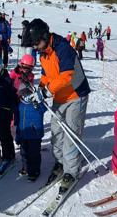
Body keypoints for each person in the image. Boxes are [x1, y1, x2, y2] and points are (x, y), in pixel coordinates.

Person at [28, 18, 90, 192]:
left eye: (36, 43)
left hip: (76, 95)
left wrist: (47, 91)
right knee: (56, 132)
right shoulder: (43, 52)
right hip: (60, 96)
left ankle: (71, 170)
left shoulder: (63, 48)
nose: (35, 47)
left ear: (45, 36)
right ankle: (61, 162)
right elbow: (47, 75)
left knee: (71, 133)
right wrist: (40, 88)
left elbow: (67, 75)